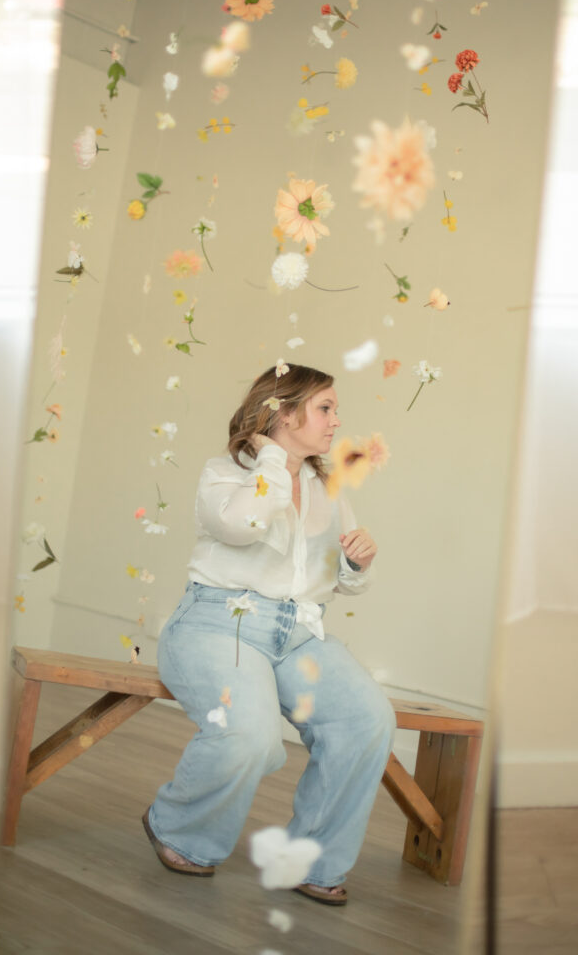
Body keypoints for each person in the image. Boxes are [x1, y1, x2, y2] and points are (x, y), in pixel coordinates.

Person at [142, 363, 396, 906]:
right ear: (284, 412)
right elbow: (244, 525)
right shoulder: (226, 473)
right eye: (325, 407)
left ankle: (313, 859)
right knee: (249, 734)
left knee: (367, 719)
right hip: (219, 624)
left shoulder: (327, 487)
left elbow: (333, 580)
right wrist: (273, 460)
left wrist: (357, 563)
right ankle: (180, 829)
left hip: (298, 634)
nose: (336, 419)